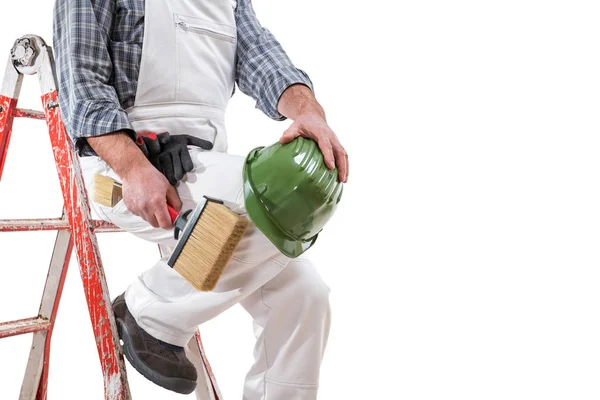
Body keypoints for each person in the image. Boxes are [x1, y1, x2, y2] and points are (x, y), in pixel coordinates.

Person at [53, 0, 349, 398]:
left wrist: (308, 110)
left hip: (201, 166)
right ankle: (149, 311)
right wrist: (135, 168)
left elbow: (262, 57)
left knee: (305, 292)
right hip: (123, 167)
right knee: (267, 205)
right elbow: (82, 87)